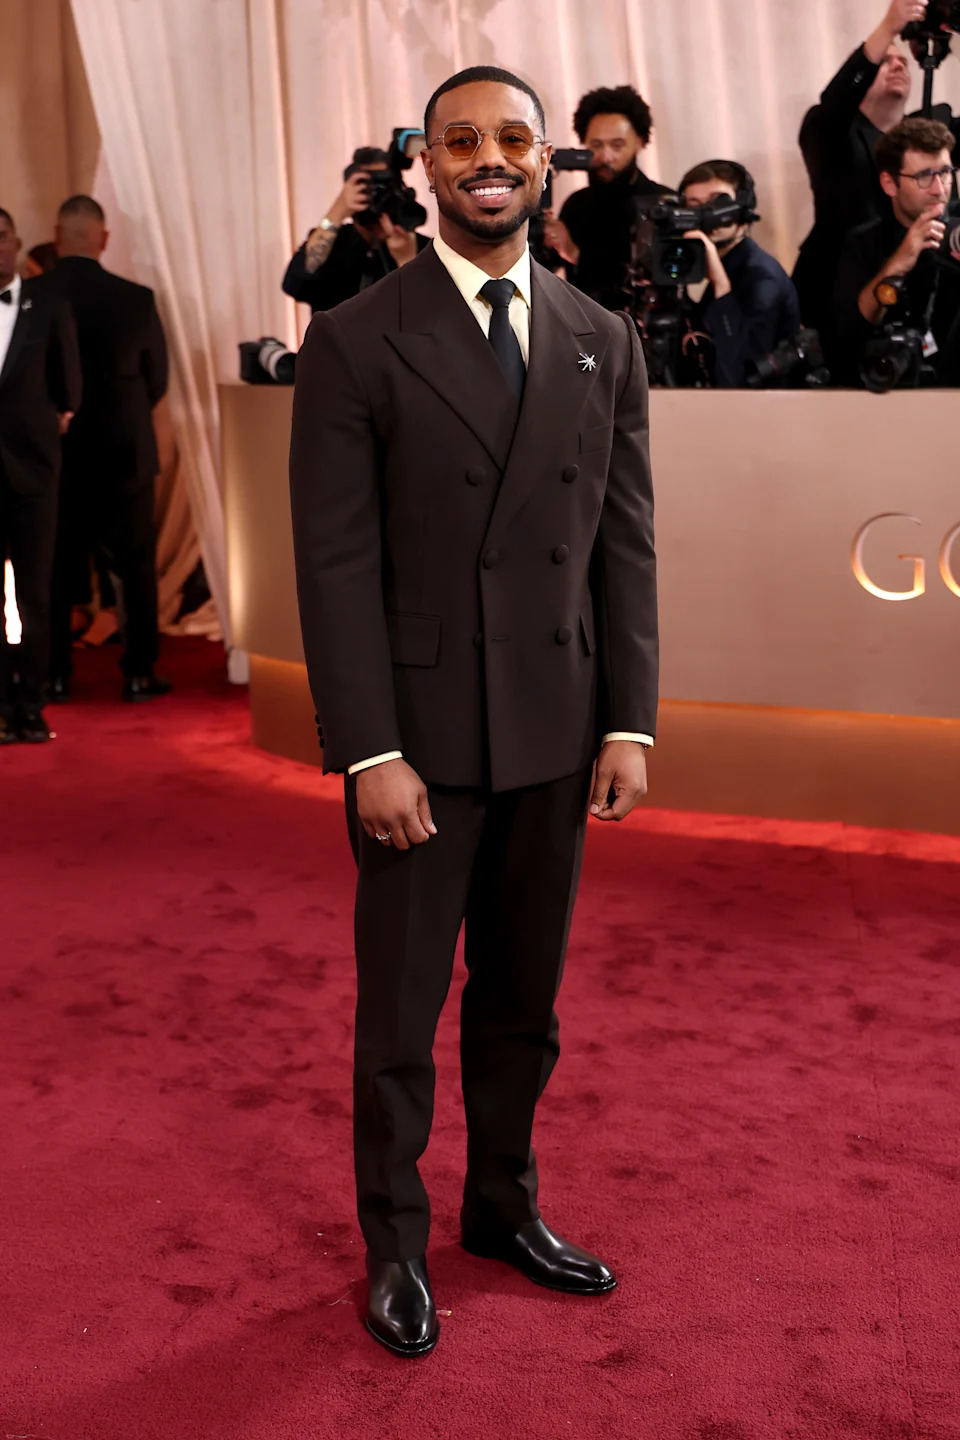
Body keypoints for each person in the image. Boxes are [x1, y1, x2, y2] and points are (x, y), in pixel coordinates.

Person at [289, 64, 658, 1359]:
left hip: (558, 730)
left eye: (512, 138)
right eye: (462, 141)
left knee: (523, 1005)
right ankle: (395, 1240)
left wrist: (632, 719)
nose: (487, 158)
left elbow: (625, 546)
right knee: (400, 1016)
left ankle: (502, 1209)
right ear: (428, 168)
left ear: (546, 162)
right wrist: (369, 750)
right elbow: (331, 564)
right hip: (422, 745)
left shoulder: (601, 337)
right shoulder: (354, 337)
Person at [43, 195, 170, 702]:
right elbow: (156, 380)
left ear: (57, 238)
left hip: (57, 454)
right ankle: (139, 672)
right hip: (126, 452)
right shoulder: (135, 298)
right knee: (136, 566)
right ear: (104, 239)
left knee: (53, 568)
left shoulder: (33, 296)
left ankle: (53, 674)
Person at [793, 0, 934, 360]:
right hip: (834, 298)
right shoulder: (830, 132)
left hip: (911, 301)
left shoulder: (925, 137)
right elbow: (836, 101)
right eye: (885, 61)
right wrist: (889, 27)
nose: (898, 64)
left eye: (902, 60)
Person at [0, 208, 81, 743]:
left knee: (35, 595)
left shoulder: (47, 305)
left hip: (32, 474)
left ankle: (31, 704)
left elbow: (68, 391)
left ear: (16, 241)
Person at [834, 117, 960, 384]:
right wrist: (899, 262)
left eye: (945, 172)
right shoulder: (863, 242)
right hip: (887, 393)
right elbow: (847, 335)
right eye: (924, 176)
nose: (939, 189)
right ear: (889, 184)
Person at [542, 85, 672, 309]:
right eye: (596, 145)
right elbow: (541, 273)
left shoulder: (664, 203)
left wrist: (575, 254)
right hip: (587, 335)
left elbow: (656, 281)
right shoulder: (576, 205)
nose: (605, 157)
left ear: (639, 143)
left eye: (617, 145)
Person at [677, 160, 801, 387]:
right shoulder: (727, 263)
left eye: (718, 202)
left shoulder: (762, 278)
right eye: (694, 205)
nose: (706, 214)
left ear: (744, 206)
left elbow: (738, 376)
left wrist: (721, 285)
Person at [282, 148, 430, 312]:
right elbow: (294, 285)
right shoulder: (333, 243)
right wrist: (338, 210)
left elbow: (430, 315)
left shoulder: (422, 248)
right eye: (369, 187)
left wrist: (407, 260)